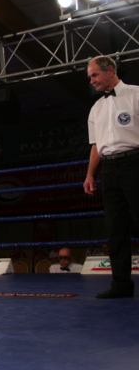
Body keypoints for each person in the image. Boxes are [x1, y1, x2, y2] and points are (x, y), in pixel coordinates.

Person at [84, 55, 139, 299]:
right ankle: (121, 284)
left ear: (110, 70)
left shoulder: (136, 95)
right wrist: (90, 174)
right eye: (90, 77)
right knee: (115, 227)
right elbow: (96, 145)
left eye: (95, 75)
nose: (92, 81)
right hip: (109, 169)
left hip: (135, 162)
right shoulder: (96, 108)